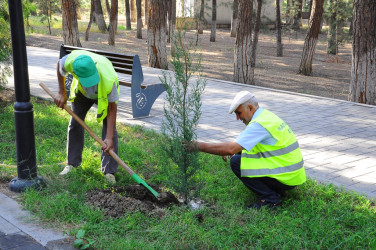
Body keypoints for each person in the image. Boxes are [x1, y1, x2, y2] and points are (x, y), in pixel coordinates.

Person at [192, 91, 306, 209]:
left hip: (287, 177)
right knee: (239, 156)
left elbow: (231, 149)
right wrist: (235, 150)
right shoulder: (266, 116)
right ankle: (276, 190)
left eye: (239, 113)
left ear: (250, 108)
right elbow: (255, 146)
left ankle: (270, 199)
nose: (237, 118)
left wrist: (197, 146)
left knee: (236, 162)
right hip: (293, 175)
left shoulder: (259, 125)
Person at [54, 50, 120, 184]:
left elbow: (112, 108)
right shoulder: (69, 61)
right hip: (82, 94)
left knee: (110, 131)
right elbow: (59, 65)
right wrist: (62, 92)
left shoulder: (109, 79)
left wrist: (108, 138)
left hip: (103, 94)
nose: (91, 83)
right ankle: (72, 163)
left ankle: (109, 172)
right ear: (75, 72)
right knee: (75, 124)